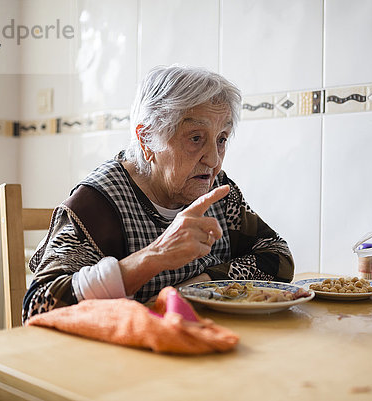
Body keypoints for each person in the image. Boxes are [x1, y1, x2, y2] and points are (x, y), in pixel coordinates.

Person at [23, 65, 295, 322]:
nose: (213, 159)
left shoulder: (219, 193)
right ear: (147, 140)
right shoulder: (98, 204)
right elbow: (39, 307)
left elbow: (277, 256)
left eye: (221, 139)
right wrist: (155, 256)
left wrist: (199, 286)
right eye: (195, 138)